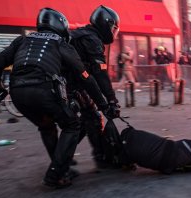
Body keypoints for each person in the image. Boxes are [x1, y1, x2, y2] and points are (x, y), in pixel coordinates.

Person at [0, 8, 108, 188]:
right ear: (60, 24)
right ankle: (55, 174)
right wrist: (103, 103)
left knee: (46, 126)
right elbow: (86, 77)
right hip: (44, 89)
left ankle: (61, 169)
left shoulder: (22, 40)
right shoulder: (60, 42)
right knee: (72, 125)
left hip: (18, 94)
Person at [69, 5, 121, 167]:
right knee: (91, 118)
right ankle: (100, 158)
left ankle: (63, 154)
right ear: (106, 24)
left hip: (67, 83)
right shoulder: (92, 39)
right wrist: (111, 99)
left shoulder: (80, 34)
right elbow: (100, 73)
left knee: (85, 118)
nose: (113, 32)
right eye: (113, 28)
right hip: (71, 84)